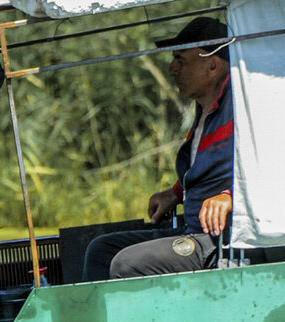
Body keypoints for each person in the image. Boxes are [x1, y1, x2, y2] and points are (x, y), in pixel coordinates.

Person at [82, 17, 234, 281]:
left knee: (127, 264)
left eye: (181, 60)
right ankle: (89, 311)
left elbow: (272, 166)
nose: (172, 69)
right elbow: (212, 167)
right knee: (101, 250)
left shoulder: (242, 105)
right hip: (194, 231)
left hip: (221, 240)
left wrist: (230, 197)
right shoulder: (203, 109)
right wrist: (175, 193)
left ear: (212, 66)